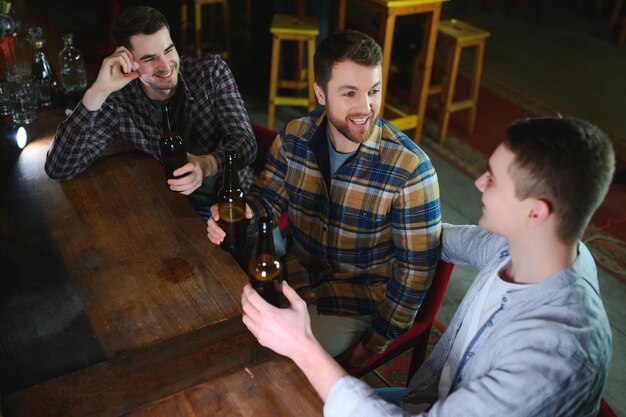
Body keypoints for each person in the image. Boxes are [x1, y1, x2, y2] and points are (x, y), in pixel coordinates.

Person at [241, 116, 615, 416]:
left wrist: (303, 345)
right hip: (425, 396)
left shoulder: (553, 355)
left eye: (494, 179)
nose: (478, 181)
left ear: (535, 212)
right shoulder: (533, 248)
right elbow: (432, 236)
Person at [207, 30, 441, 366]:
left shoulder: (411, 170)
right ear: (320, 93)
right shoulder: (294, 138)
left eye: (373, 91)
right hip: (297, 278)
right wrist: (238, 213)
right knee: (222, 334)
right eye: (349, 93)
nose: (365, 107)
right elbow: (267, 200)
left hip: (357, 302)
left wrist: (371, 347)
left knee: (270, 365)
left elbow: (414, 276)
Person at [45, 6, 257, 218]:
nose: (165, 66)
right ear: (127, 60)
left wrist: (205, 165)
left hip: (239, 196)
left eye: (168, 50)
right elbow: (59, 168)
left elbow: (246, 143)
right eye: (149, 59)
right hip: (176, 209)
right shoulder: (119, 102)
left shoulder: (210, 71)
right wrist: (98, 91)